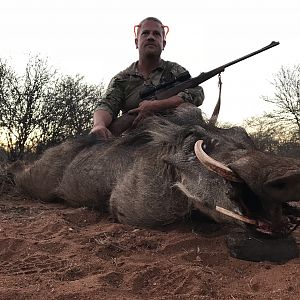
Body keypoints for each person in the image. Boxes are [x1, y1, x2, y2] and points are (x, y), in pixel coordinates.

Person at [91, 17, 205, 139]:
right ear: (136, 42)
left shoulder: (176, 71)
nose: (151, 37)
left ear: (163, 44)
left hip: (173, 136)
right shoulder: (122, 79)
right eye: (145, 33)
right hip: (133, 140)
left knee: (190, 110)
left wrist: (158, 105)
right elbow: (107, 105)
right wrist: (98, 125)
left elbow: (197, 92)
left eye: (156, 34)